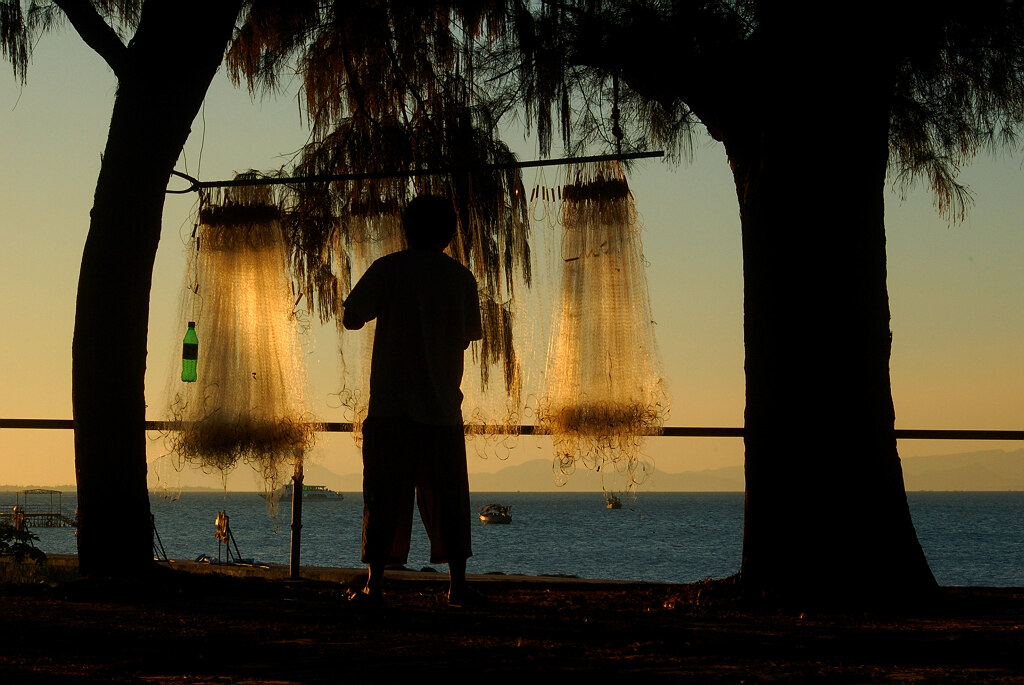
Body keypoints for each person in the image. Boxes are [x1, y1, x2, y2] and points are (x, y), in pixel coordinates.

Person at [342, 194, 483, 607]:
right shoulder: (461, 278)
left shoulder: (389, 268)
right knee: (450, 499)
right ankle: (457, 586)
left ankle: (377, 584)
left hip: (390, 407)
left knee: (384, 496)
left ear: (407, 229)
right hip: (441, 408)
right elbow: (466, 338)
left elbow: (352, 317)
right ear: (449, 233)